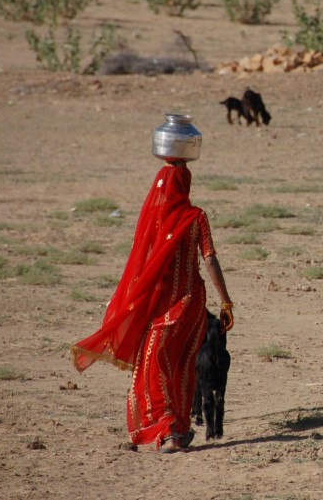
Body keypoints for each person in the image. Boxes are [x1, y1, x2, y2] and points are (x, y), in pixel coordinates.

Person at [71, 160, 233, 453]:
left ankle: (168, 428)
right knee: (182, 364)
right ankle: (179, 430)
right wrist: (225, 301)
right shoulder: (197, 217)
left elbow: (142, 263)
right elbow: (209, 259)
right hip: (194, 302)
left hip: (168, 307)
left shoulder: (156, 219)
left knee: (152, 363)